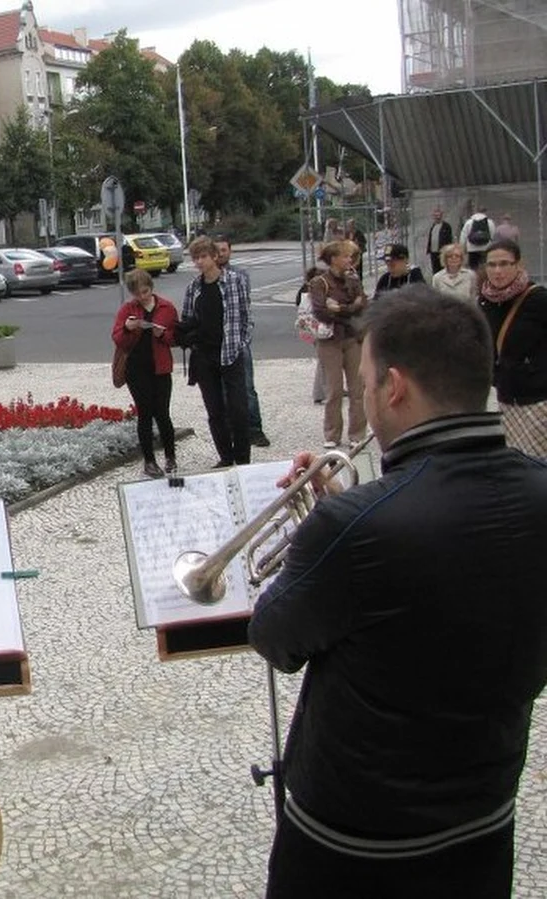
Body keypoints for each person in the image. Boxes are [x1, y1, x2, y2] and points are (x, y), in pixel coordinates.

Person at [249, 286, 547, 899]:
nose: (363, 393)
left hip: (354, 841)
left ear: (394, 387)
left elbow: (275, 638)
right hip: (484, 816)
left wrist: (328, 530)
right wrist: (347, 521)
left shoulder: (353, 528)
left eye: (364, 379)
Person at [176, 236, 252, 467]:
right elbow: (187, 318)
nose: (199, 262)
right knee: (214, 409)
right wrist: (186, 336)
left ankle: (242, 457)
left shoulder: (234, 281)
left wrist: (241, 342)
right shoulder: (194, 288)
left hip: (229, 352)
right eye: (195, 258)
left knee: (238, 408)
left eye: (203, 257)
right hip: (204, 355)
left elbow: (246, 316)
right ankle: (225, 456)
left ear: (214, 257)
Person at [478, 238, 547, 457]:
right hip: (507, 399)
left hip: (539, 399)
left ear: (518, 265)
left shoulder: (537, 299)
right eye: (492, 264)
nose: (497, 271)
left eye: (504, 264)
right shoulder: (485, 301)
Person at [112, 268, 179, 478]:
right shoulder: (128, 309)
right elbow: (118, 339)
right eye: (138, 293)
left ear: (151, 287)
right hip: (136, 369)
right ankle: (149, 461)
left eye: (146, 291)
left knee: (163, 413)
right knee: (145, 413)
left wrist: (163, 334)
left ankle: (170, 456)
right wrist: (128, 328)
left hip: (160, 367)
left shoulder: (167, 307)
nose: (142, 296)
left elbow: (176, 338)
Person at [309, 240, 368, 449]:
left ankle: (357, 434)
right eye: (345, 256)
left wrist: (340, 309)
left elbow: (363, 305)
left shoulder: (353, 280)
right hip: (330, 341)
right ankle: (332, 434)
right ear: (333, 259)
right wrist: (349, 308)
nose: (349, 260)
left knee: (357, 390)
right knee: (333, 390)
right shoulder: (319, 282)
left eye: (350, 256)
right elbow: (321, 311)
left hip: (352, 338)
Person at [215, 236, 270, 447]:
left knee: (247, 387)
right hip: (219, 344)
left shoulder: (239, 276)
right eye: (217, 250)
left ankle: (255, 428)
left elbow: (244, 309)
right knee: (223, 390)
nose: (221, 254)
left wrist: (244, 339)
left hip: (238, 341)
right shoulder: (205, 279)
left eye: (224, 250)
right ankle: (232, 430)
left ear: (230, 251)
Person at [296, 267, 326, 404]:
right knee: (324, 360)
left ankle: (327, 388)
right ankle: (319, 393)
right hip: (320, 330)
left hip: (311, 331)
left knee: (324, 359)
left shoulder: (303, 293)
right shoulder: (313, 295)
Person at [424, 207, 453, 274]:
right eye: (435, 216)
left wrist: (447, 250)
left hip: (442, 252)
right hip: (433, 252)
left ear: (441, 216)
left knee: (443, 269)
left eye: (439, 215)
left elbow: (449, 239)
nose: (437, 217)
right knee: (435, 269)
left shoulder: (446, 226)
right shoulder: (433, 226)